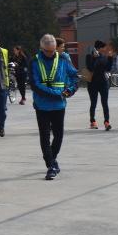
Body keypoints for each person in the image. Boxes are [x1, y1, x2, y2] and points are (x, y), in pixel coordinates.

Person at [30, 34, 79, 180]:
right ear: (42, 48)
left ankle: (52, 159)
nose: (51, 54)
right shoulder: (35, 61)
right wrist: (56, 94)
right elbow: (35, 84)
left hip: (59, 105)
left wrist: (70, 90)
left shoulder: (63, 59)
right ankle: (51, 165)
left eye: (53, 50)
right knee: (44, 136)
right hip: (42, 105)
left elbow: (74, 77)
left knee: (58, 135)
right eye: (48, 51)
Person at [86, 40, 114, 130]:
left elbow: (108, 68)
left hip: (103, 83)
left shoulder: (104, 57)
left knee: (105, 103)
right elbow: (91, 68)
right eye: (104, 47)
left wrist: (110, 58)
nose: (105, 49)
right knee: (93, 102)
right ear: (99, 48)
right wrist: (95, 58)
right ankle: (93, 121)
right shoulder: (89, 56)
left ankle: (107, 122)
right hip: (92, 83)